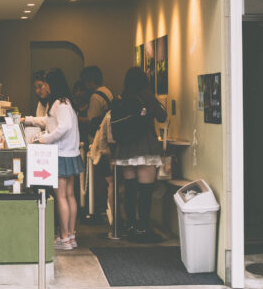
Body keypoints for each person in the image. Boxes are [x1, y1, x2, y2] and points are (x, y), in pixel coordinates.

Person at [112, 66, 167, 243]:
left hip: (125, 148)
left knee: (130, 188)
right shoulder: (146, 94)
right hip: (144, 146)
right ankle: (143, 228)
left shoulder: (124, 96)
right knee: (145, 190)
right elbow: (162, 116)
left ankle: (130, 226)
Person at [37, 68, 83, 251]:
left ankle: (64, 238)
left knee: (61, 196)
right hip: (70, 154)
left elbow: (64, 127)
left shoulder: (59, 104)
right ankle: (70, 236)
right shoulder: (66, 102)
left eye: (46, 83)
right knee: (70, 195)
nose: (44, 87)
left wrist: (45, 139)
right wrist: (31, 120)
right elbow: (52, 123)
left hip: (60, 154)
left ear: (52, 84)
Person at [79, 66, 114, 221]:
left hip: (98, 142)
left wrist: (75, 118)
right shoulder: (108, 92)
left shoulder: (95, 97)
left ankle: (98, 208)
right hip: (110, 141)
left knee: (101, 179)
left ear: (90, 81)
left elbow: (91, 120)